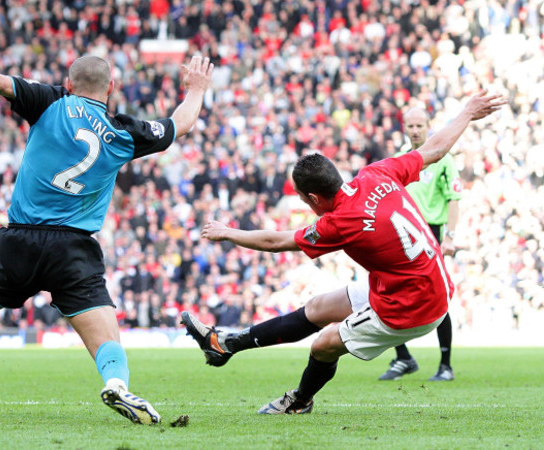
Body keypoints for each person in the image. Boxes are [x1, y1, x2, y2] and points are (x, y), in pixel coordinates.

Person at [0, 38, 213, 425]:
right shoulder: (125, 132)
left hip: (20, 242)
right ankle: (115, 383)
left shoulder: (50, 101)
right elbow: (181, 124)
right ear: (110, 88)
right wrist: (196, 90)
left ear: (69, 82)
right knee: (106, 337)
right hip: (74, 250)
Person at [181, 91, 504, 414]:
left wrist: (229, 233)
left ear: (314, 198)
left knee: (324, 344)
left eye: (304, 200)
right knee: (319, 307)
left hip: (413, 305)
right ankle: (225, 345)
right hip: (421, 282)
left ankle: (299, 400)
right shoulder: (377, 173)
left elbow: (275, 242)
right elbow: (434, 149)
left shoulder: (339, 222)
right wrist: (467, 112)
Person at [378, 107, 462, 382]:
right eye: (410, 125)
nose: (415, 130)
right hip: (404, 234)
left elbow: (453, 199)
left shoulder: (443, 158)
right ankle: (403, 358)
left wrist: (449, 236)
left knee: (437, 295)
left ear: (428, 126)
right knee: (387, 292)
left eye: (419, 125)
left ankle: (446, 364)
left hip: (433, 233)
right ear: (404, 127)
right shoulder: (401, 158)